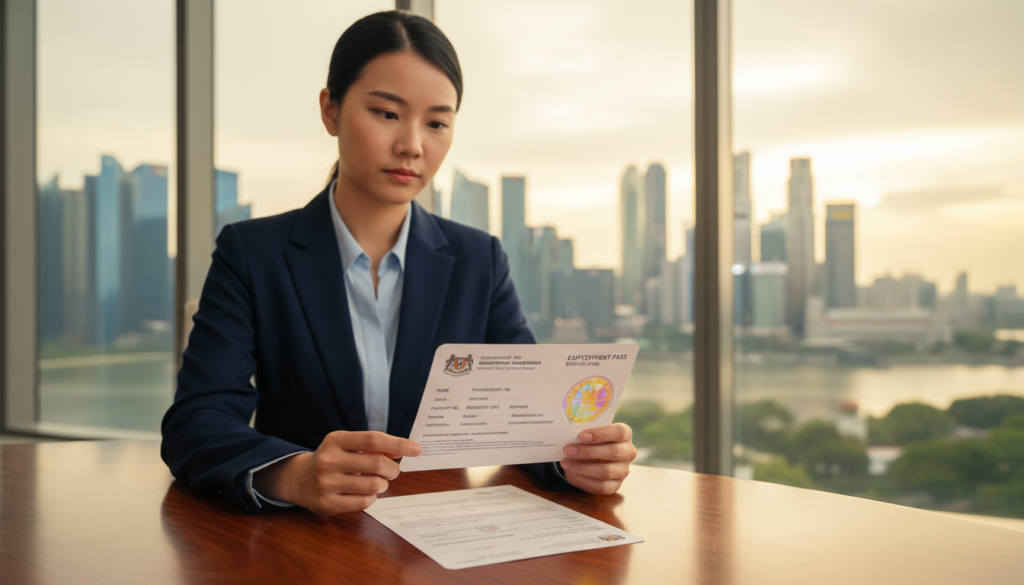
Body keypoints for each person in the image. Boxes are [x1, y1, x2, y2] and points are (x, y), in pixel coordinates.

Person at [161, 10, 637, 517]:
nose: (412, 144)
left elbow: (524, 423)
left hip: (441, 536)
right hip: (302, 539)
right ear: (331, 110)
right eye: (387, 113)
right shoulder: (252, 253)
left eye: (436, 122)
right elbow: (197, 418)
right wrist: (292, 473)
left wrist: (577, 459)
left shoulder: (479, 259)